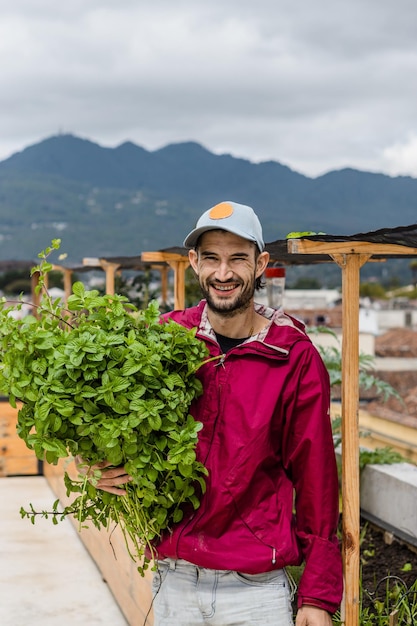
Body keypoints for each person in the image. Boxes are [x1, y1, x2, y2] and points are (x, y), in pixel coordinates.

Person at [93, 201, 343, 626]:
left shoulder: (292, 356)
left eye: (238, 259)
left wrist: (317, 594)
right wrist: (94, 466)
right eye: (211, 258)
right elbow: (109, 426)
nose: (223, 273)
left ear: (261, 264)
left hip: (256, 591)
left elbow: (316, 478)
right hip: (173, 581)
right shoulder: (164, 342)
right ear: (194, 262)